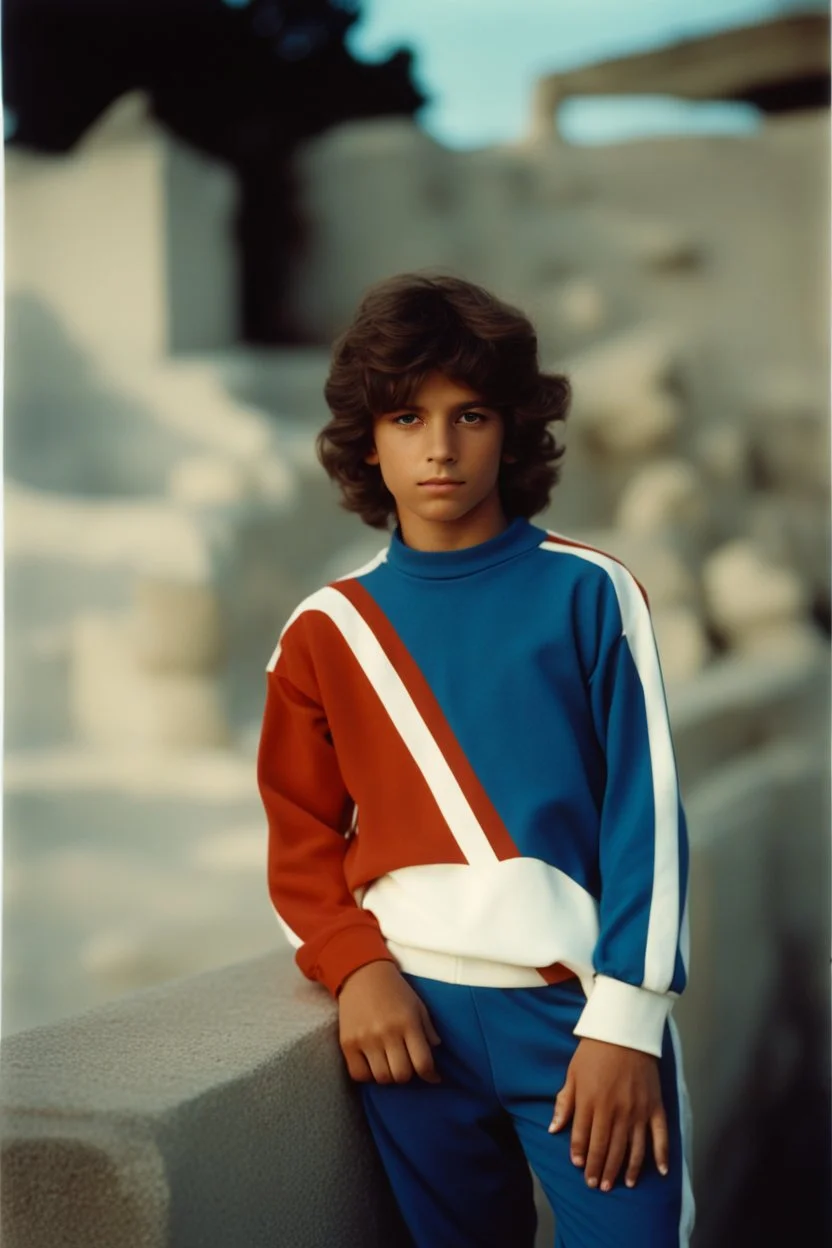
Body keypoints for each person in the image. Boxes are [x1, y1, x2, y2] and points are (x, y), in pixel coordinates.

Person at [257, 272, 695, 1247]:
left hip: (577, 1019)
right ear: (367, 437)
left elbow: (648, 817)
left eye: (472, 414)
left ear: (514, 428)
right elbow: (297, 839)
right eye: (408, 416)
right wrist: (357, 970)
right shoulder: (327, 631)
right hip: (409, 1031)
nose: (440, 447)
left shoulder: (590, 592)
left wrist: (625, 1022)